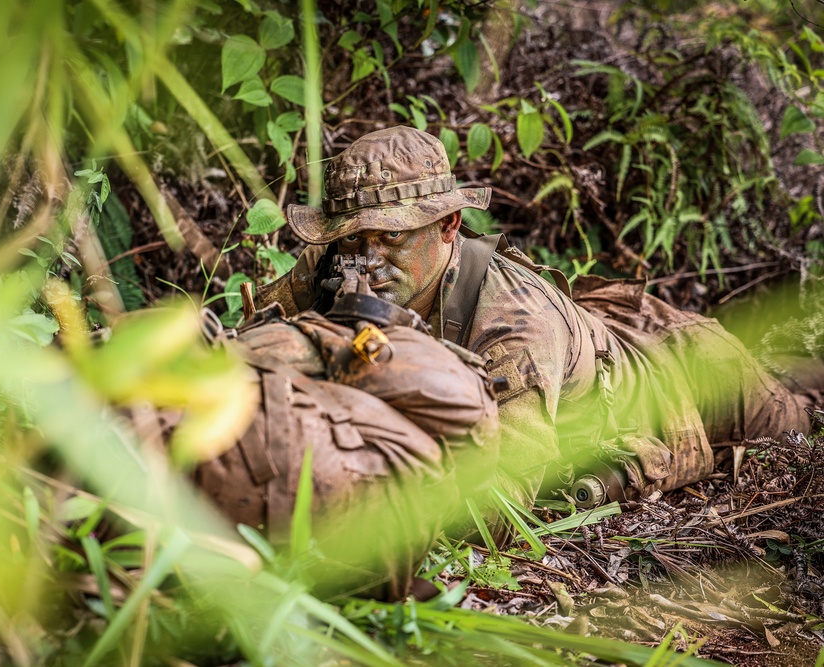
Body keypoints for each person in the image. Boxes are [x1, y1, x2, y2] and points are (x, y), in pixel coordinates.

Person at [256, 126, 822, 543]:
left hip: (682, 381)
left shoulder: (512, 329)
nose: (367, 260)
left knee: (800, 409)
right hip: (596, 328)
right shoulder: (337, 262)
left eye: (392, 238)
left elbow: (499, 506)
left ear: (449, 226)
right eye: (352, 238)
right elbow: (247, 343)